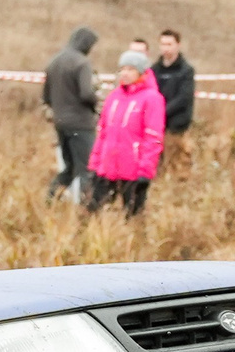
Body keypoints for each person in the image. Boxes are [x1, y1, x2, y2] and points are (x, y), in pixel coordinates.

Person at [87, 50, 165, 220]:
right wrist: (95, 163)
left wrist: (146, 170)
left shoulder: (152, 98)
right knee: (93, 213)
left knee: (133, 218)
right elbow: (102, 133)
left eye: (130, 69)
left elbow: (153, 138)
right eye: (122, 69)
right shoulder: (114, 97)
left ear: (141, 72)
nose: (125, 73)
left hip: (133, 169)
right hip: (107, 167)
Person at [42, 27, 101, 203]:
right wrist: (96, 100)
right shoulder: (82, 63)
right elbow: (86, 94)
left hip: (60, 122)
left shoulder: (54, 61)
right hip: (81, 124)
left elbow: (46, 96)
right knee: (87, 169)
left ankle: (50, 200)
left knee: (69, 168)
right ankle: (85, 207)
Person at [152, 28, 195, 174]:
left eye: (169, 44)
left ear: (178, 45)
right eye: (163, 44)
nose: (166, 48)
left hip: (176, 127)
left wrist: (163, 112)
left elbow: (184, 97)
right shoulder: (154, 70)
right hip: (156, 127)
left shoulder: (186, 71)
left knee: (177, 167)